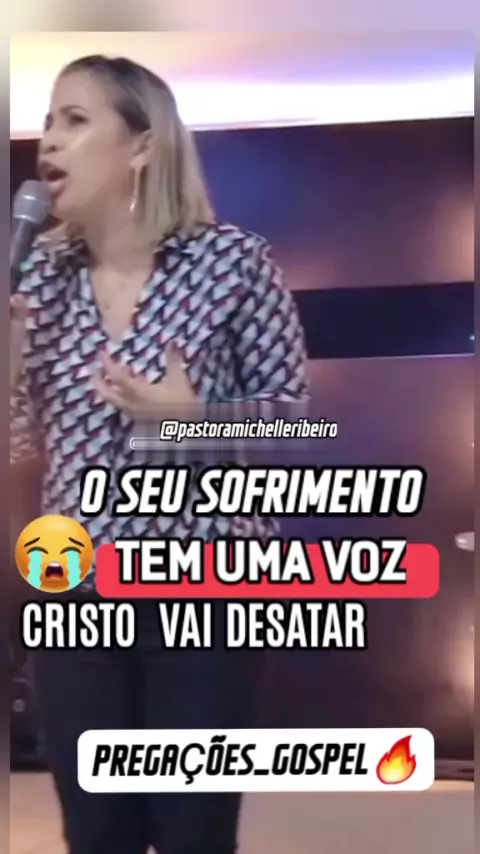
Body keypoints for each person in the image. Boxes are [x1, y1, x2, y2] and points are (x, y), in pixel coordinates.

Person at [10, 55, 310, 854]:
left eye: (76, 120)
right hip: (76, 590)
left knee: (192, 831)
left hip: (206, 591)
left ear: (142, 145)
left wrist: (188, 421)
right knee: (97, 831)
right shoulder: (36, 279)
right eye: (48, 120)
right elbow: (19, 441)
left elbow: (293, 430)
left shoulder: (233, 263)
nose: (49, 140)